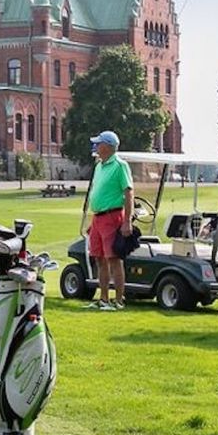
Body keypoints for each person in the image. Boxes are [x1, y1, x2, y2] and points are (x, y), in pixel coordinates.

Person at [85, 130, 133, 311]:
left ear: (107, 146)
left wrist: (127, 221)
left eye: (99, 144)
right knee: (99, 258)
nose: (96, 147)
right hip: (98, 218)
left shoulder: (120, 166)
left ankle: (118, 301)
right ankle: (103, 299)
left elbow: (128, 192)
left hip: (112, 216)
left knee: (113, 259)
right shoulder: (99, 166)